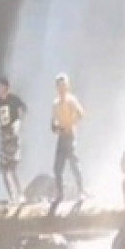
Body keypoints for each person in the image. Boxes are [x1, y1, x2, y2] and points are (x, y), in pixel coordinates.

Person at [50, 73, 86, 207]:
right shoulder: (55, 104)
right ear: (56, 88)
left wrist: (70, 123)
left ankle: (81, 191)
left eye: (64, 86)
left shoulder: (71, 100)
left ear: (68, 86)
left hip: (70, 135)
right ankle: (60, 194)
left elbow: (81, 114)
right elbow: (52, 123)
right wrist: (56, 128)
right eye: (59, 86)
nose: (62, 89)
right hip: (61, 136)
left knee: (74, 164)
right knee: (57, 168)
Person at [0, 76, 28, 204]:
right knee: (3, 170)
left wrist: (18, 121)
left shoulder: (13, 99)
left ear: (6, 88)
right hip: (4, 137)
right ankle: (11, 197)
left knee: (13, 169)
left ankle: (20, 194)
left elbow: (24, 108)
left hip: (13, 137)